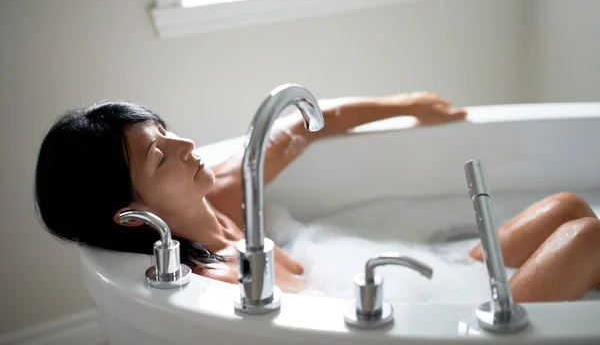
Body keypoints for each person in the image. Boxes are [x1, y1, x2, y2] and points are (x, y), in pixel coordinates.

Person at [34, 92, 599, 302]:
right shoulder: (211, 280)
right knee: (588, 236)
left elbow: (304, 125)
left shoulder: (229, 193)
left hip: (441, 278)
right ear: (134, 216)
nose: (186, 144)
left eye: (167, 130)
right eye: (160, 156)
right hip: (455, 322)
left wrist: (406, 104)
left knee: (568, 207)